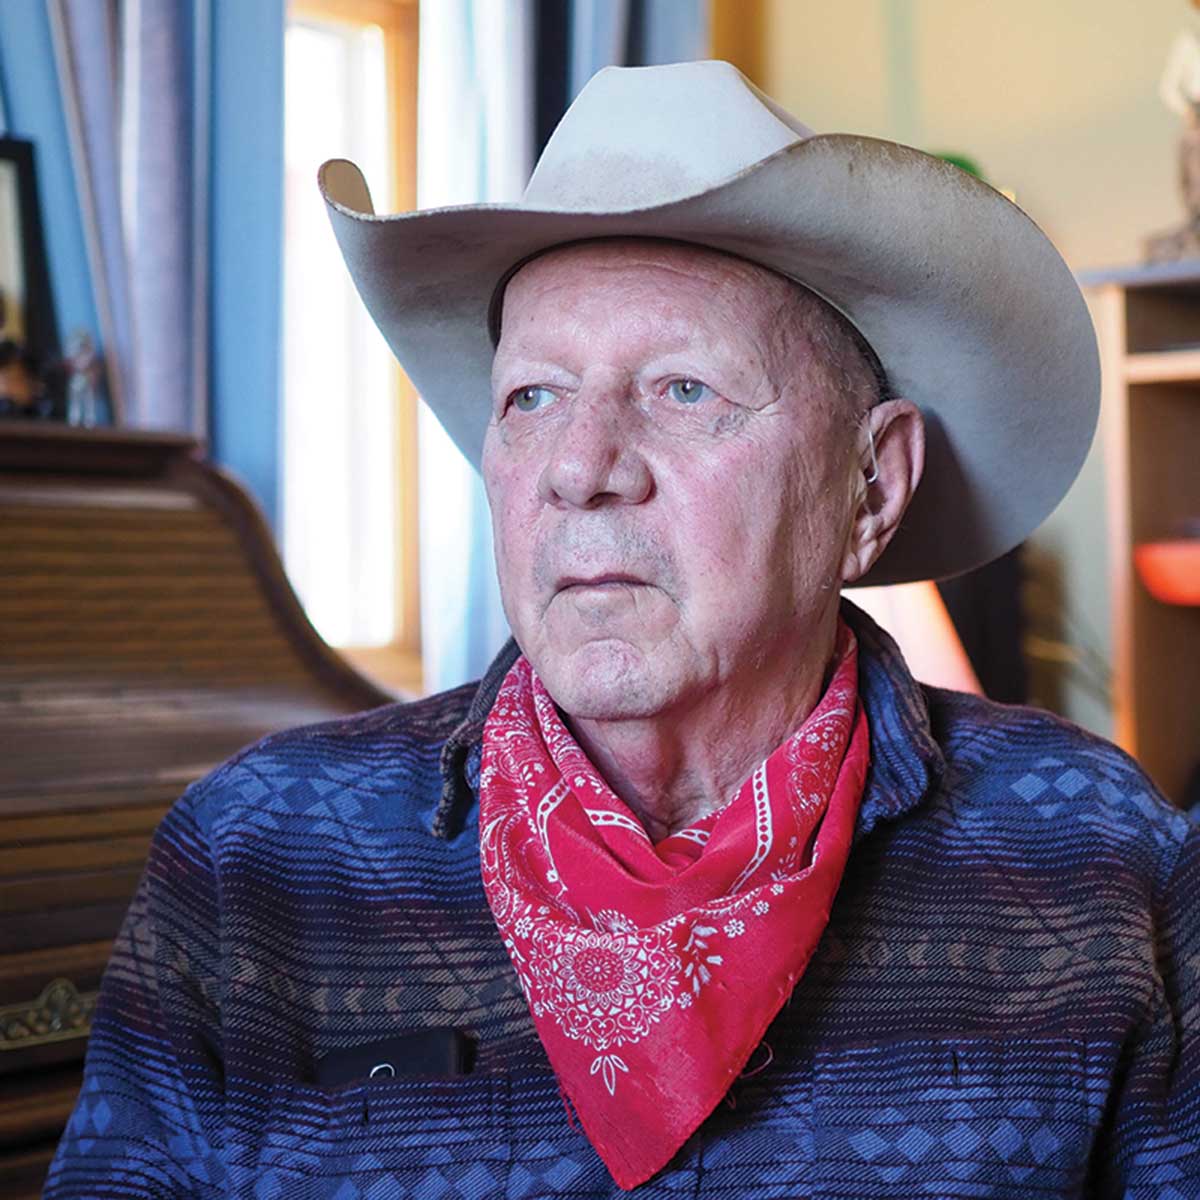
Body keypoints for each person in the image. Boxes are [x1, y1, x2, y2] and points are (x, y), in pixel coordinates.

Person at [46, 61, 1199, 1198]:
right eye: (531, 398)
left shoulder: (1093, 856)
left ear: (872, 491)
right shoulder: (260, 855)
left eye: (683, 390)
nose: (581, 469)